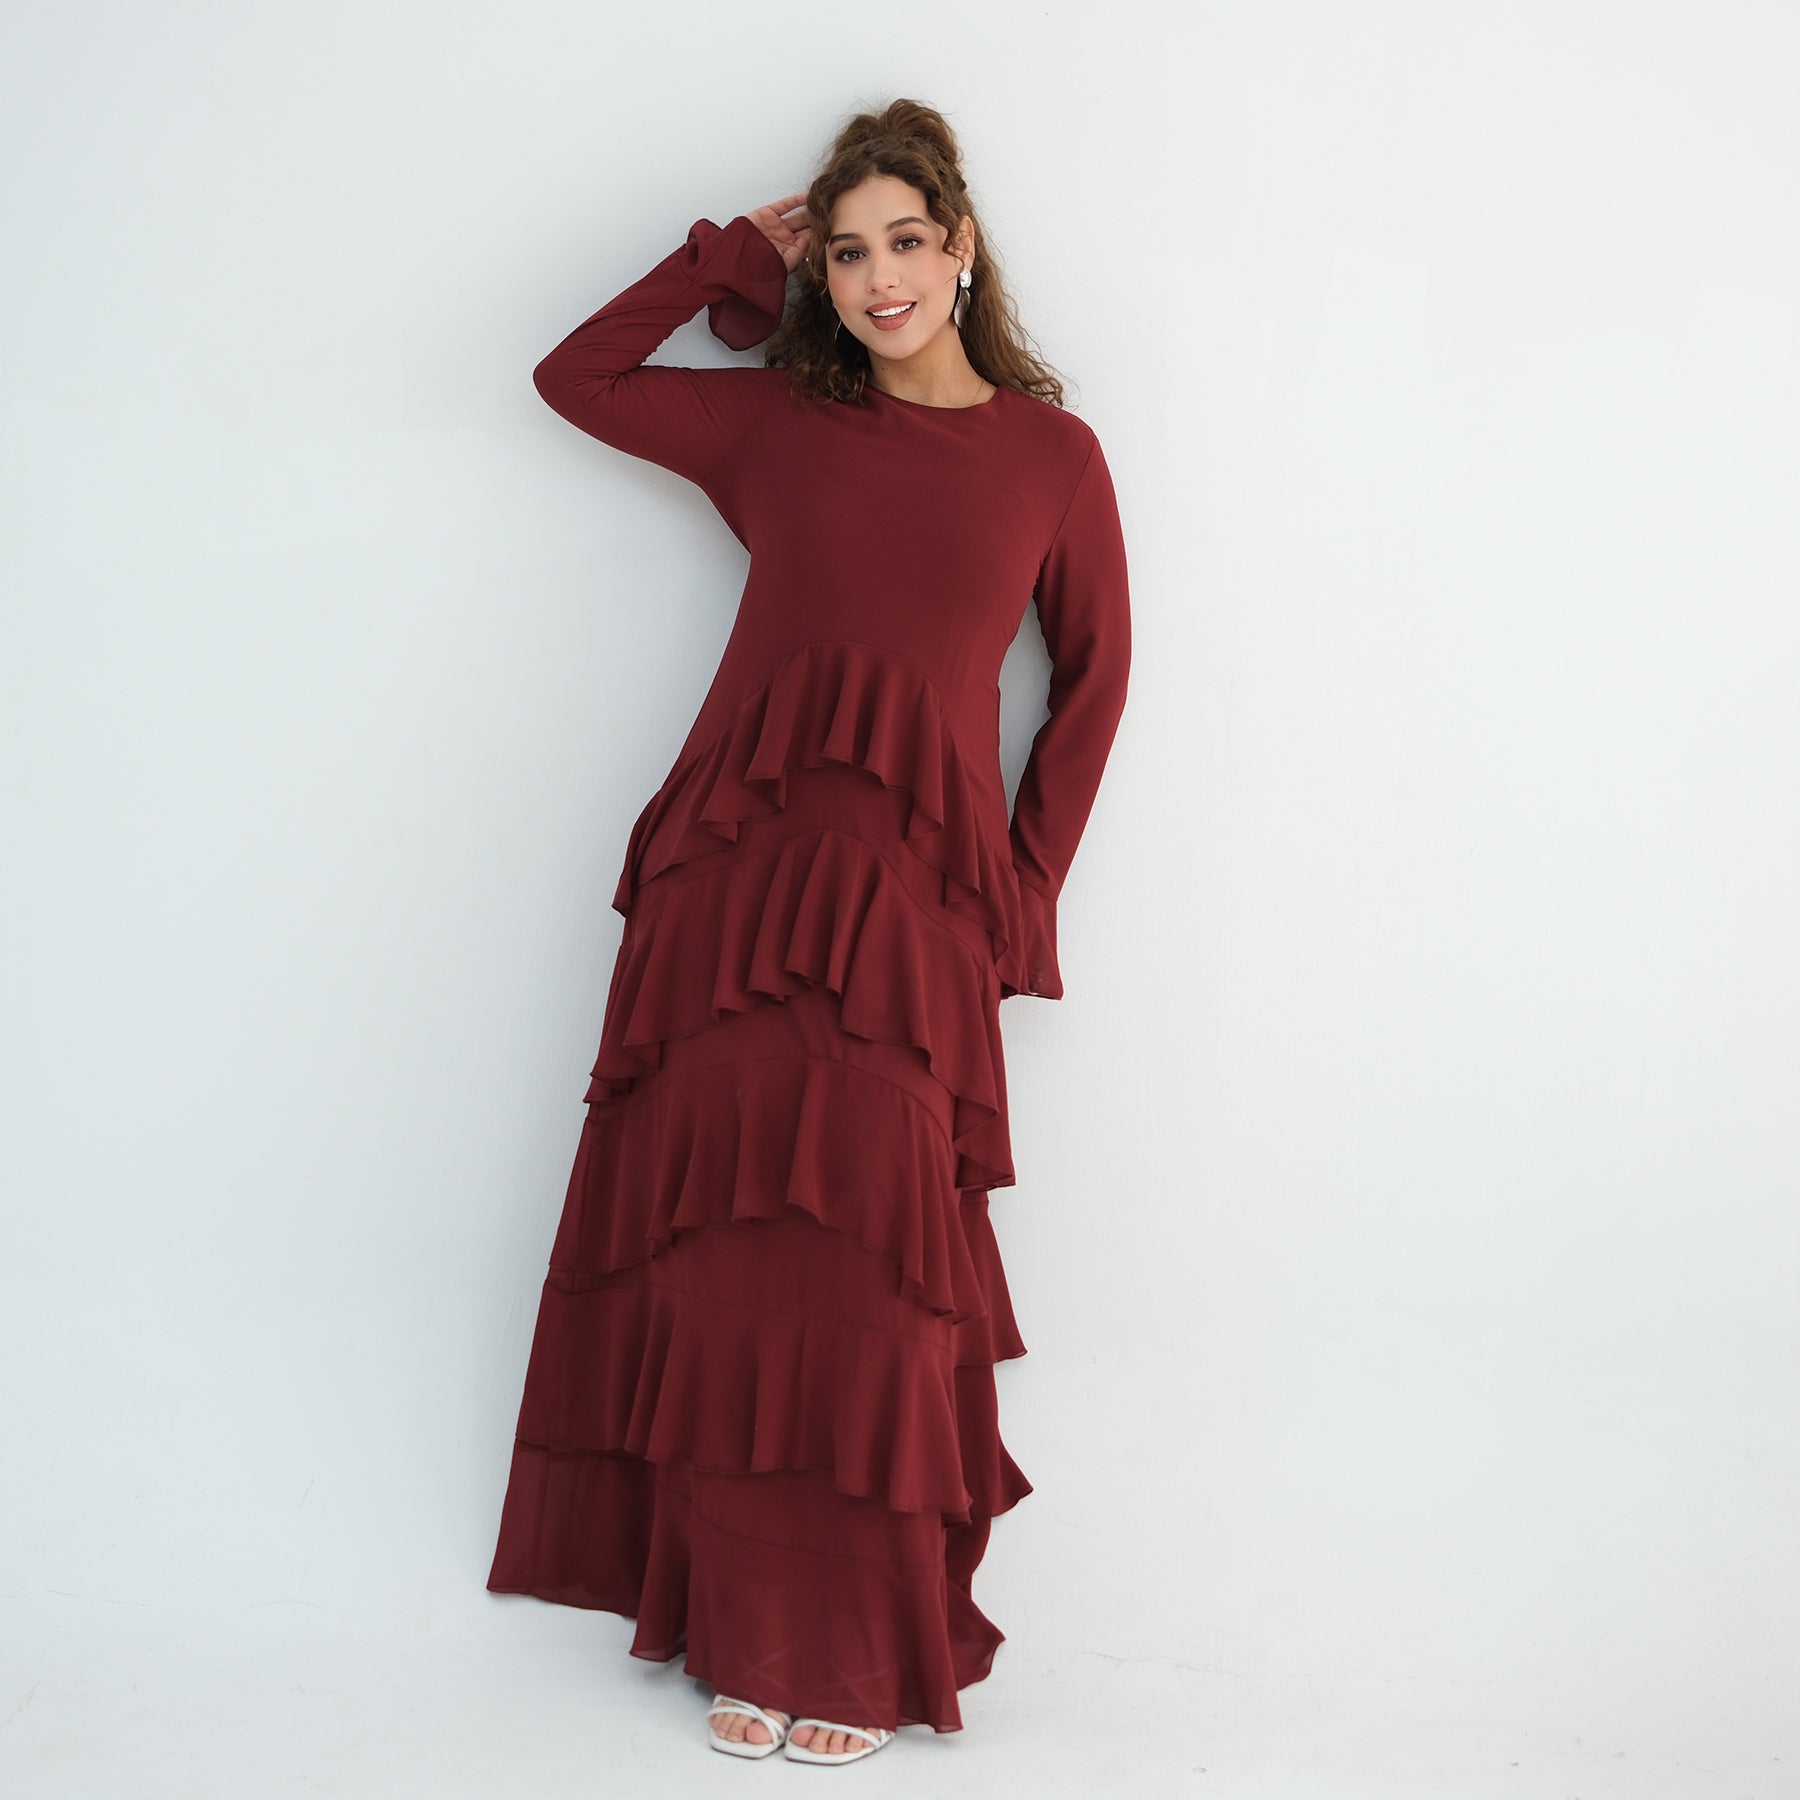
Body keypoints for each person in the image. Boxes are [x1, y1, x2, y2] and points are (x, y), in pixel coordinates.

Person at [485, 97, 1132, 1766]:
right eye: (845, 253)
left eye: (905, 240)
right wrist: (723, 257)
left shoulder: (1052, 456)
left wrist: (1027, 885)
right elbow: (575, 379)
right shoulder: (776, 420)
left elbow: (1095, 679)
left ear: (962, 247)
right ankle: (739, 1629)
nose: (878, 277)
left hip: (912, 910)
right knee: (733, 1267)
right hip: (736, 888)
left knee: (875, 1278)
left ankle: (846, 1639)